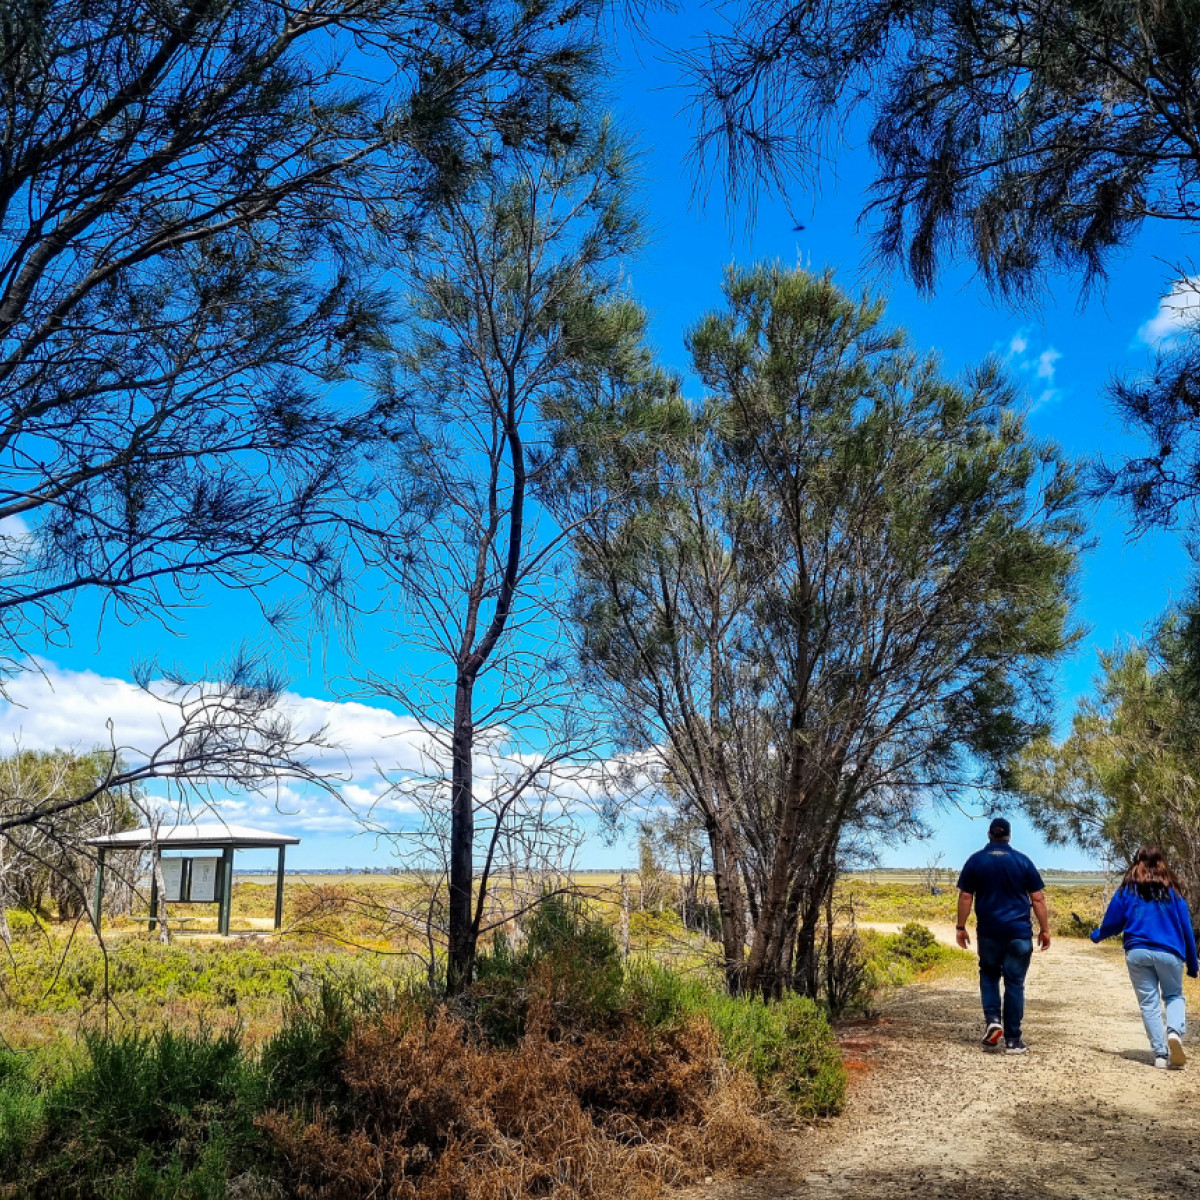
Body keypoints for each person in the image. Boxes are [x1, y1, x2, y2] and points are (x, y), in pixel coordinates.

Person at [1090, 845, 1199, 1070]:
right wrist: (1193, 962)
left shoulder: (1127, 890)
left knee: (1149, 1003)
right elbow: (1186, 928)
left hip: (1137, 952)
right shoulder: (1173, 891)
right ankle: (1174, 1033)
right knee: (1174, 995)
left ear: (1136, 861)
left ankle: (1160, 1054)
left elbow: (1112, 922)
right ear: (1162, 862)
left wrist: (1098, 935)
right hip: (1169, 953)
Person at [955, 817, 1051, 1055]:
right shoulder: (1023, 861)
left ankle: (993, 1020)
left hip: (989, 932)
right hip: (1018, 933)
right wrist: (1045, 929)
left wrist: (961, 926)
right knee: (1015, 982)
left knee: (988, 975)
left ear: (989, 835)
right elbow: (1037, 898)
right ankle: (1013, 1039)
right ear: (1008, 836)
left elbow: (966, 896)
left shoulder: (975, 861)